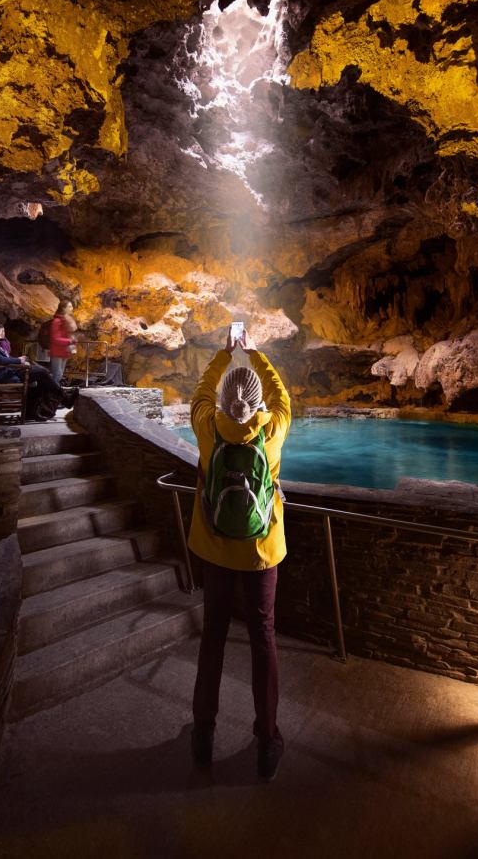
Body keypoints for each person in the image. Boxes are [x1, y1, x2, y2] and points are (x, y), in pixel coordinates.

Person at [188, 326, 291, 781]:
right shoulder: (272, 431)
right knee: (263, 637)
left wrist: (223, 356)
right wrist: (254, 354)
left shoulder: (208, 426)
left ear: (224, 399)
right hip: (260, 552)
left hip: (214, 546)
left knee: (212, 635)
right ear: (256, 401)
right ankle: (267, 738)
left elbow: (201, 393)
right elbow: (282, 397)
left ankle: (203, 734)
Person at [0, 320, 77, 421]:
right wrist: (18, 360)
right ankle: (64, 398)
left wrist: (19, 360)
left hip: (3, 371)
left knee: (39, 374)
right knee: (42, 373)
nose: (0, 336)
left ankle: (34, 411)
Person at [48, 300, 78, 383]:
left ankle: (55, 393)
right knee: (57, 375)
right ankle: (51, 393)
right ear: (63, 308)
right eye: (69, 306)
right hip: (57, 351)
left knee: (59, 375)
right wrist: (70, 341)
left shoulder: (66, 320)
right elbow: (55, 338)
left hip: (64, 350)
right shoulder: (57, 321)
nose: (71, 308)